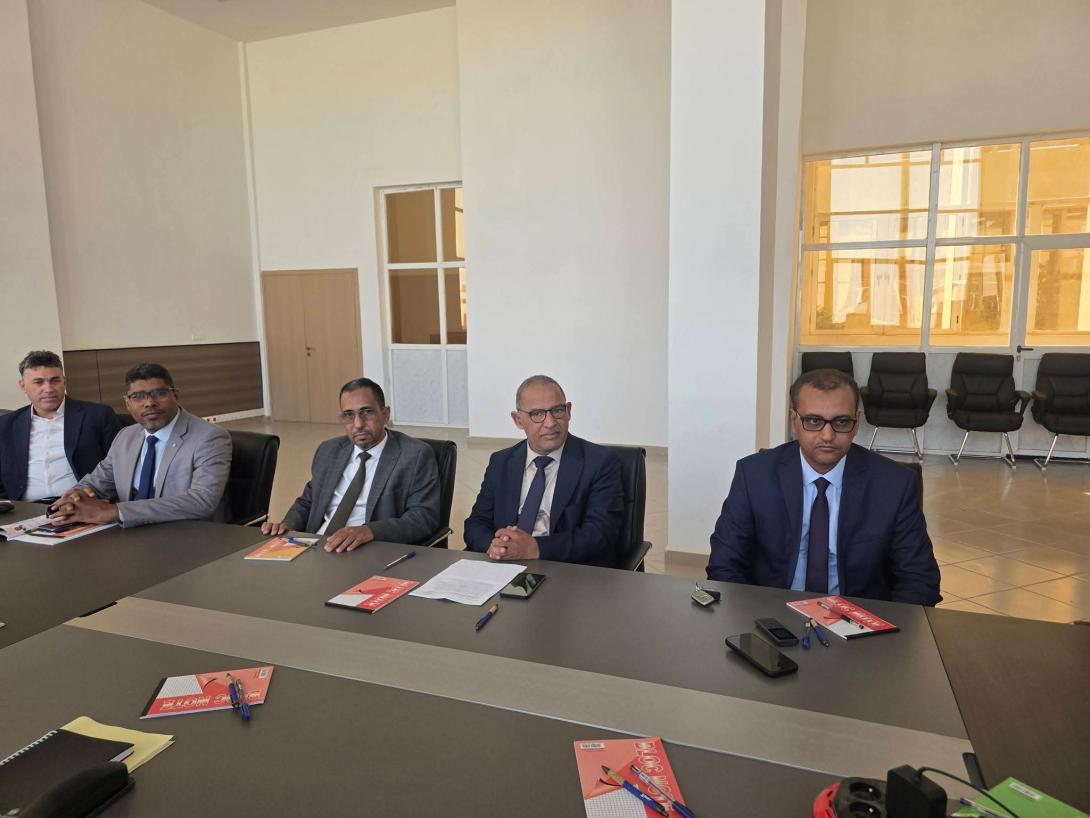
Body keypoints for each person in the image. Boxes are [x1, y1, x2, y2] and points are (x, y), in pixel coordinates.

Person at [706, 368, 940, 605]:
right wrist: (752, 618)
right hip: (772, 615)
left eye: (841, 422)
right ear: (794, 421)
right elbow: (725, 564)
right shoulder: (754, 475)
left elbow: (920, 580)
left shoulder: (894, 485)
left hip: (861, 618)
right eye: (814, 421)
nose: (827, 435)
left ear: (856, 423)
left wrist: (883, 626)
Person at [262, 378, 440, 552]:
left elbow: (423, 517)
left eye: (367, 412)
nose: (358, 424)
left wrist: (369, 531)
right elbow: (308, 500)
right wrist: (288, 524)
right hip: (315, 546)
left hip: (366, 549)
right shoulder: (329, 450)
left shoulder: (414, 455)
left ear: (385, 414)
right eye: (349, 415)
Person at [464, 375, 624, 565]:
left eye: (557, 410)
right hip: (503, 564)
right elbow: (476, 524)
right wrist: (495, 547)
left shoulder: (599, 462)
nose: (550, 422)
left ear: (569, 411)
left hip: (565, 568)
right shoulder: (501, 462)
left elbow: (601, 534)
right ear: (518, 420)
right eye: (537, 414)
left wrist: (535, 548)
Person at [48, 363, 232, 527]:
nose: (149, 403)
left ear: (175, 395)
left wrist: (115, 512)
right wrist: (75, 495)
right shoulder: (126, 436)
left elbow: (201, 501)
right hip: (131, 533)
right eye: (138, 397)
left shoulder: (209, 437)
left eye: (159, 394)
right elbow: (97, 482)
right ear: (127, 403)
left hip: (187, 534)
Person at [0, 350, 121, 502]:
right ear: (23, 386)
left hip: (82, 504)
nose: (48, 389)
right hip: (25, 508)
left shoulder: (98, 416)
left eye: (55, 381)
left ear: (64, 382)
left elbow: (120, 466)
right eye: (39, 382)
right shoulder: (5, 425)